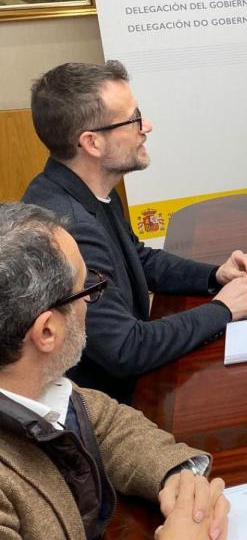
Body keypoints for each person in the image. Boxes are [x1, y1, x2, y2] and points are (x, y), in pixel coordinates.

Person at [22, 61, 247, 403]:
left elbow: (139, 258)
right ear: (92, 143)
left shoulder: (88, 188)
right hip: (106, 406)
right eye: (133, 119)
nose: (146, 126)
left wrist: (214, 275)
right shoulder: (68, 230)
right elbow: (126, 348)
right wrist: (222, 310)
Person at [0, 202, 229, 540]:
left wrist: (175, 474)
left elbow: (105, 425)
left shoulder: (35, 383)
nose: (90, 305)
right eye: (87, 290)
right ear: (47, 332)